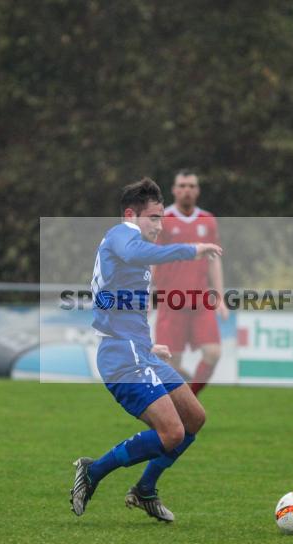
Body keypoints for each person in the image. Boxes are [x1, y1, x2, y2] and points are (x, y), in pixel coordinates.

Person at [70, 177, 221, 522]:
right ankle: (93, 471)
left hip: (139, 352)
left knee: (195, 418)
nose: (160, 224)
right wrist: (190, 250)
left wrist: (149, 344)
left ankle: (145, 489)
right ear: (130, 215)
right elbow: (136, 254)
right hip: (121, 359)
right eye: (154, 217)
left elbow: (114, 305)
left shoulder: (129, 248)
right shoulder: (122, 235)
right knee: (172, 433)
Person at [152, 170, 228, 395]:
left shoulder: (208, 220)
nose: (187, 190)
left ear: (197, 190)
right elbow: (150, 258)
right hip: (171, 301)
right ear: (174, 190)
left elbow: (214, 260)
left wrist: (220, 297)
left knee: (213, 353)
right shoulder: (162, 219)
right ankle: (177, 412)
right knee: (170, 364)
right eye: (182, 185)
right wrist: (147, 294)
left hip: (201, 300)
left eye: (191, 186)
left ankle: (190, 400)